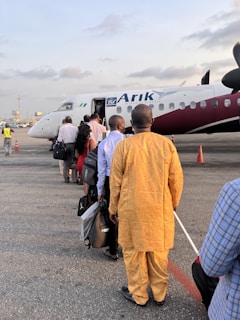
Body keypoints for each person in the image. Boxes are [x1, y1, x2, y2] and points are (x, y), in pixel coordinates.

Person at [109, 104, 183, 306]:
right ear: (152, 122)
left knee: (134, 255)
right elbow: (176, 179)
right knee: (158, 253)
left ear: (131, 124)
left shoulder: (124, 147)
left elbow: (115, 181)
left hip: (131, 210)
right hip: (159, 209)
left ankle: (139, 295)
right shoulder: (166, 145)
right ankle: (159, 294)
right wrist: (173, 202)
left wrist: (113, 208)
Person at [199, 178, 240, 320]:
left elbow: (212, 266)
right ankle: (159, 291)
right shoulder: (168, 153)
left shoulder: (236, 193)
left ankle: (140, 294)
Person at [97, 115, 125, 261]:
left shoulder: (104, 144)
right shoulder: (127, 141)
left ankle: (113, 250)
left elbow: (101, 170)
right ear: (121, 125)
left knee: (112, 214)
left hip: (110, 180)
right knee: (128, 214)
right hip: (127, 180)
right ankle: (128, 248)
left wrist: (100, 190)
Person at [75, 124, 97, 194]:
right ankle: (88, 198)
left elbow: (76, 154)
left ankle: (86, 196)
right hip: (88, 163)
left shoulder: (78, 141)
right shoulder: (90, 141)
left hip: (80, 162)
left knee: (85, 182)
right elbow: (93, 153)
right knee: (88, 183)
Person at [57, 116, 78, 183]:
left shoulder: (62, 127)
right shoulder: (75, 128)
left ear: (65, 121)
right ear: (71, 121)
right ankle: (74, 179)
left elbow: (59, 139)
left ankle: (66, 178)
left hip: (65, 146)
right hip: (73, 145)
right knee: (74, 162)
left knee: (66, 163)